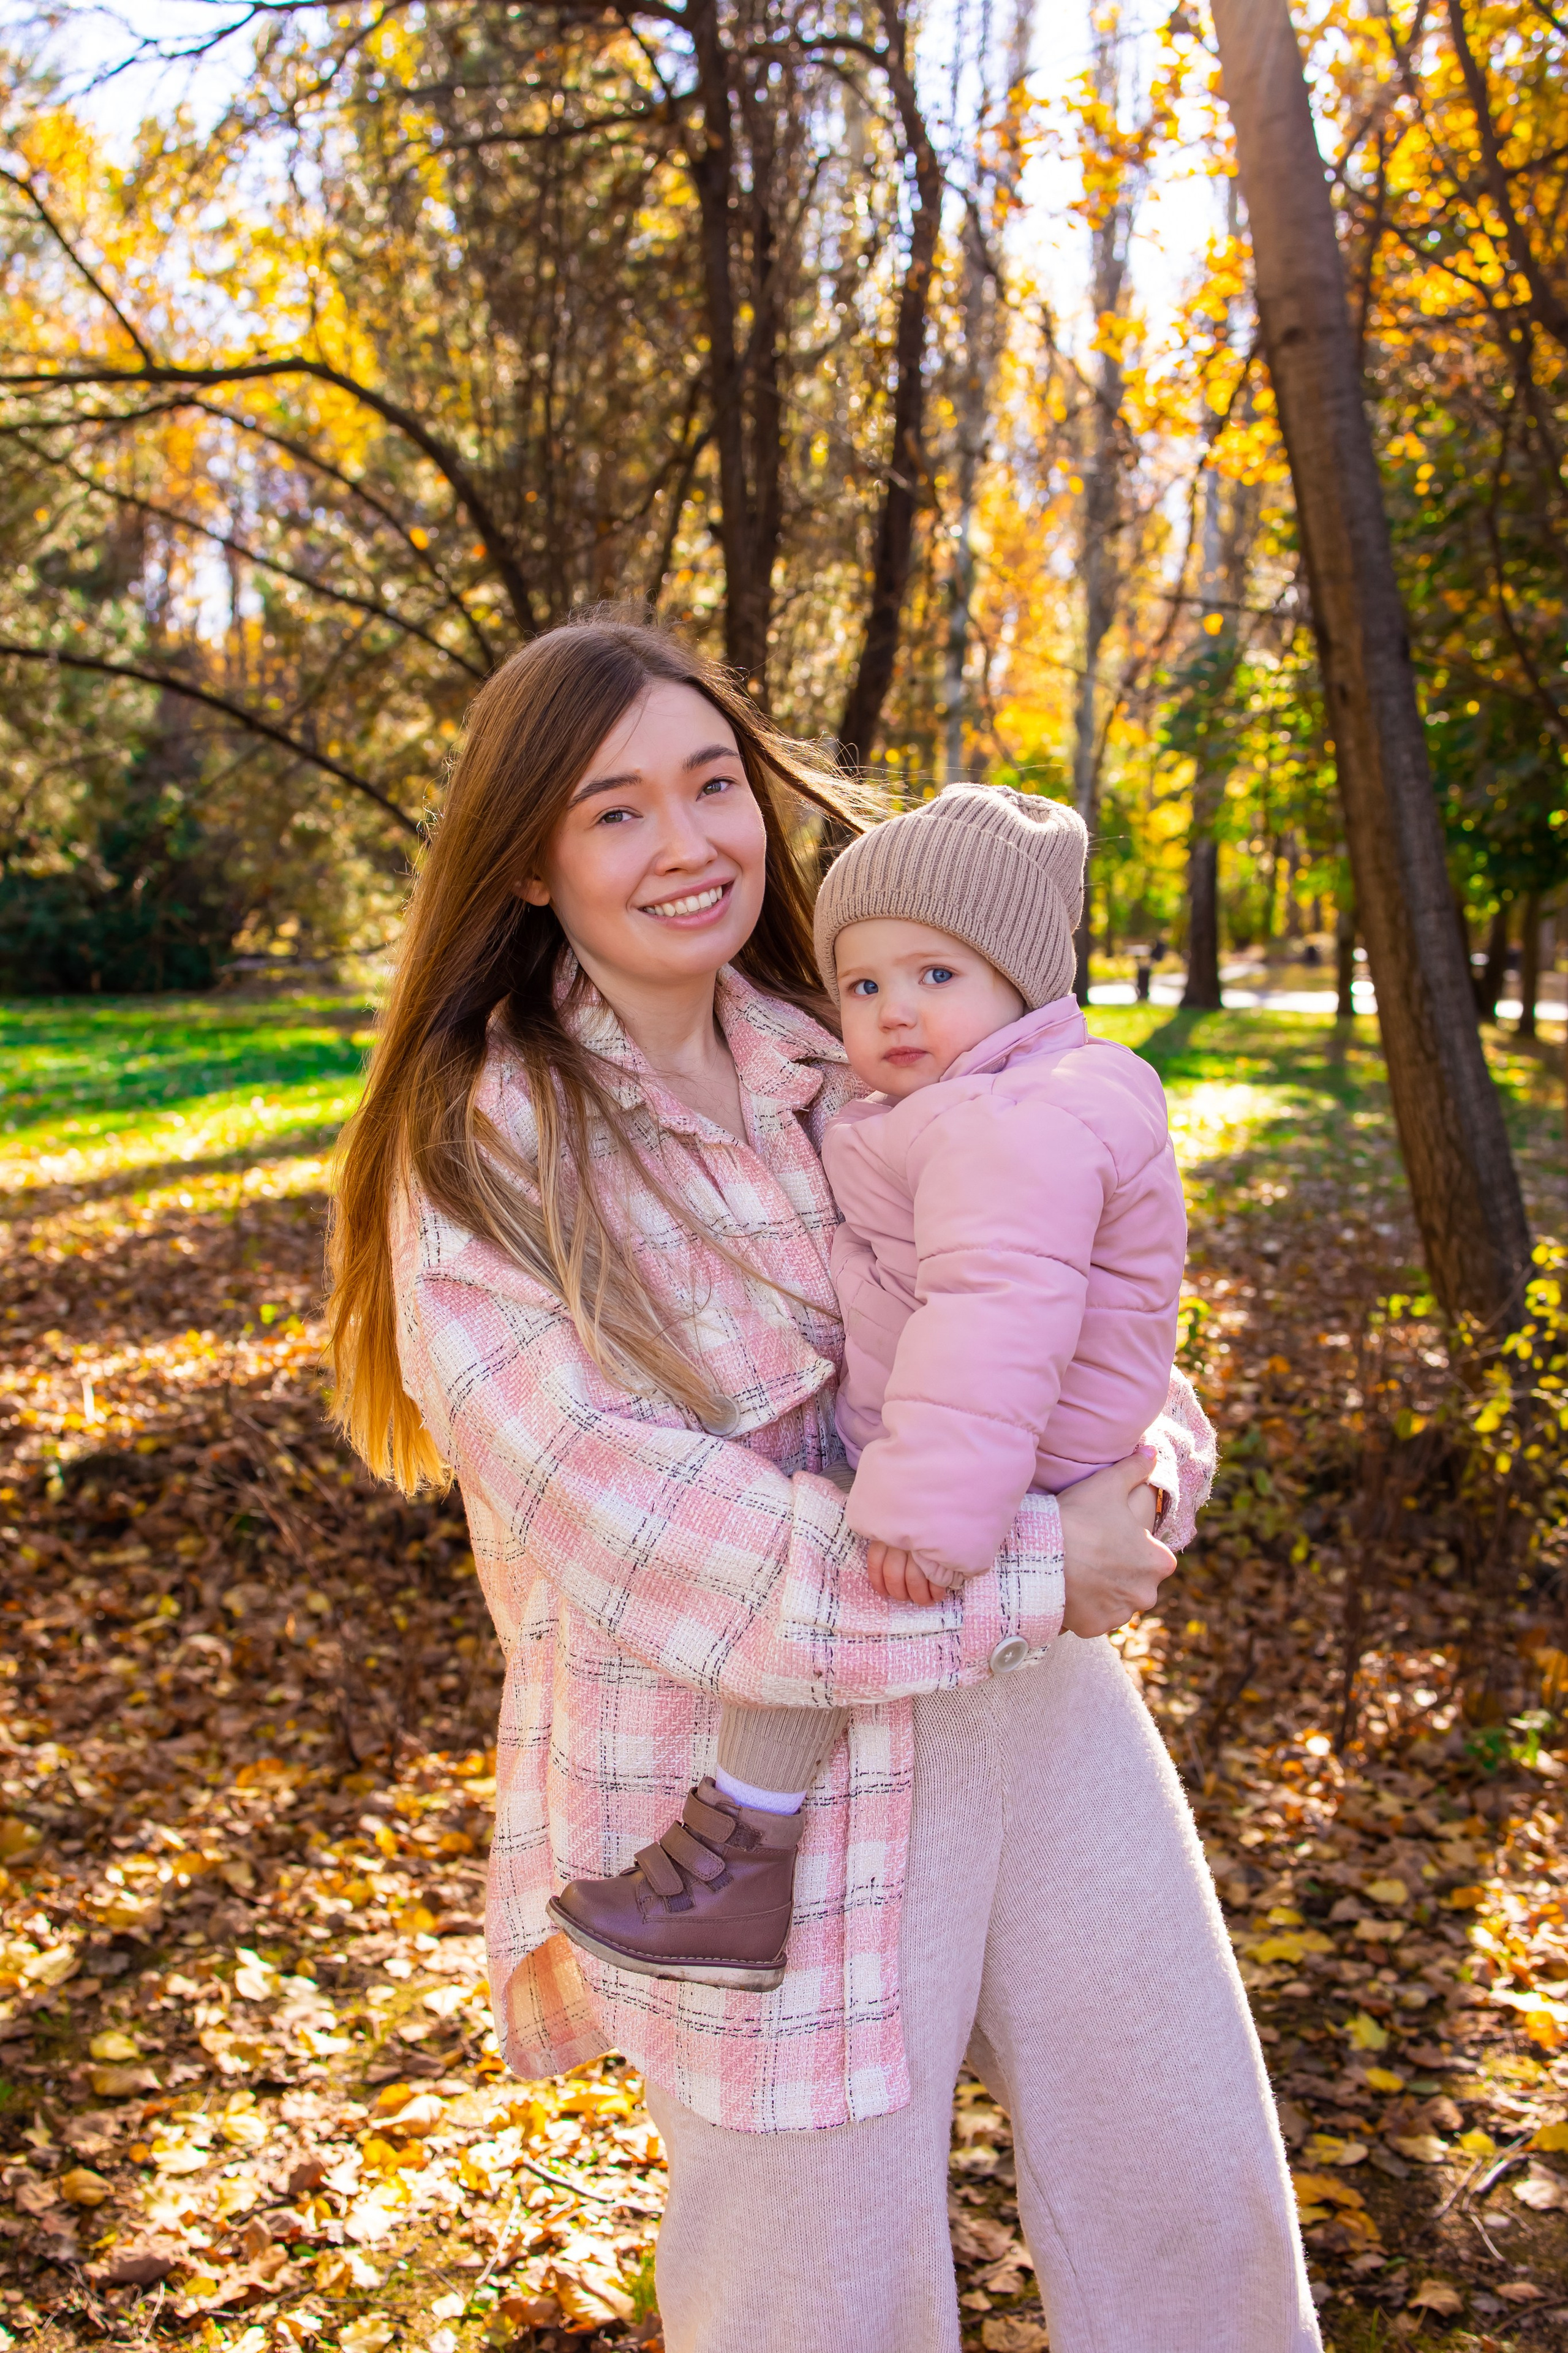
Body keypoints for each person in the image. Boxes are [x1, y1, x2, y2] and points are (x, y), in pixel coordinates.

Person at [326, 614, 1320, 2353]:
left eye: (713, 783)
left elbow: (1071, 1296)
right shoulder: (483, 1147)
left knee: (1193, 2205)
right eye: (615, 808)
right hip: (757, 1806)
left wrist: (1148, 1478)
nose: (690, 840)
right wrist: (1040, 1564)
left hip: (1036, 1717)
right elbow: (638, 1529)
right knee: (820, 2301)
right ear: (535, 863)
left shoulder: (859, 1034)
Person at [549, 788, 1193, 1992]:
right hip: (1007, 1433)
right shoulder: (987, 1098)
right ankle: (737, 1857)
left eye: (935, 976)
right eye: (863, 985)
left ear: (1021, 984)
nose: (893, 1009)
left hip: (989, 1449)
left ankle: (738, 1853)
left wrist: (924, 1513)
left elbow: (994, 1318)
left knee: (842, 1543)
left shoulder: (1011, 1122)